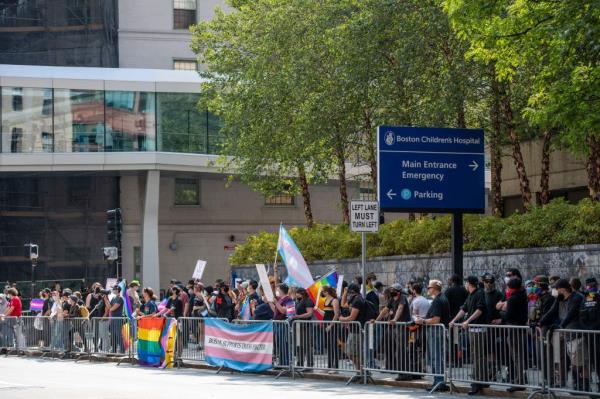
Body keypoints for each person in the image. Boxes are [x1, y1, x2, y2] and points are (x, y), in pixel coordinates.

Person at [540, 278, 585, 390]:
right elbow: (551, 312)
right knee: (560, 357)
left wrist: (561, 326)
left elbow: (571, 314)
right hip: (563, 331)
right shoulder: (559, 299)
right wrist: (540, 322)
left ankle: (580, 383)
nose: (554, 292)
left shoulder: (577, 297)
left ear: (562, 289)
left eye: (556, 289)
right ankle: (562, 380)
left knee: (577, 359)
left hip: (575, 332)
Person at [449, 275, 489, 395]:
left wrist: (468, 321)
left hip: (478, 329)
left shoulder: (480, 293)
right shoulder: (470, 295)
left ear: (469, 283)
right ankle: (477, 380)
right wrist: (454, 320)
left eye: (466, 283)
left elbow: (480, 310)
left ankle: (478, 382)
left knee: (478, 356)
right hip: (473, 329)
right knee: (474, 355)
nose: (465, 285)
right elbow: (464, 309)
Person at [415, 279, 450, 392]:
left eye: (429, 288)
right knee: (436, 357)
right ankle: (438, 381)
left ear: (434, 289)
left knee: (436, 357)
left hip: (436, 332)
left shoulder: (438, 300)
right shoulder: (442, 298)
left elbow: (436, 319)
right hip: (438, 331)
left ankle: (439, 382)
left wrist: (422, 321)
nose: (428, 289)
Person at [500, 278, 528, 392]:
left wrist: (501, 311)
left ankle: (519, 381)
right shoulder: (522, 296)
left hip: (514, 329)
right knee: (518, 355)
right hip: (520, 329)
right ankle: (519, 379)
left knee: (516, 356)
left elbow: (508, 316)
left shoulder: (512, 298)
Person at [339, 283, 365, 370]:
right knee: (352, 352)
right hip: (353, 330)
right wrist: (345, 293)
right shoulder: (354, 299)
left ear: (352, 291)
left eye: (348, 292)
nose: (348, 294)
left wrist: (342, 319)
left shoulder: (357, 301)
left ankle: (362, 371)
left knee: (351, 352)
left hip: (357, 330)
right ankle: (360, 371)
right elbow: (343, 305)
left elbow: (352, 317)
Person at [292, 287, 314, 369]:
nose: (296, 295)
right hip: (298, 325)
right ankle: (300, 362)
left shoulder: (308, 301)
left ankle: (310, 363)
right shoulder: (298, 301)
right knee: (299, 345)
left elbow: (309, 313)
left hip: (305, 325)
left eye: (297, 293)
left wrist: (298, 316)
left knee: (307, 344)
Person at [322, 286, 340, 373]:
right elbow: (326, 313)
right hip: (326, 325)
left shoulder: (334, 300)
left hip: (332, 326)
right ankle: (329, 365)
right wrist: (317, 309)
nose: (322, 293)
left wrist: (331, 325)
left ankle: (335, 366)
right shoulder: (325, 300)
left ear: (327, 292)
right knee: (328, 345)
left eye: (323, 291)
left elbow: (336, 314)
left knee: (333, 345)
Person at [106, 285, 125, 353]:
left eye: (114, 289)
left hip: (118, 319)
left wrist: (110, 308)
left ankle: (122, 351)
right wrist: (105, 298)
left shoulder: (120, 298)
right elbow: (109, 307)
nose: (113, 290)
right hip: (113, 319)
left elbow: (112, 308)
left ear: (117, 290)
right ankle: (113, 350)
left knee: (118, 335)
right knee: (113, 335)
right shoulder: (114, 298)